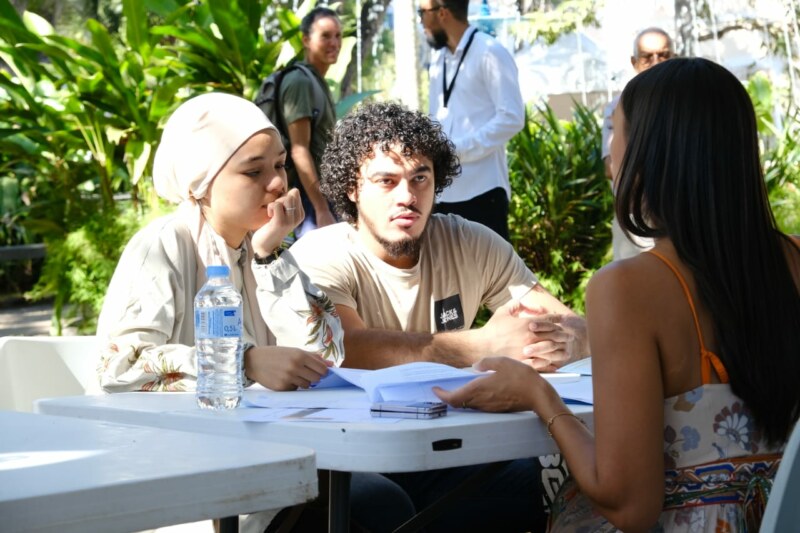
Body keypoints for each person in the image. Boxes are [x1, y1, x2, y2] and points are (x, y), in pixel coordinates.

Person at [435, 58, 800, 532]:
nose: (610, 151)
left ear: (651, 153)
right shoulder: (792, 261)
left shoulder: (628, 288)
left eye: (615, 130)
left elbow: (629, 505)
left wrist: (537, 394)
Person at [95, 92, 415, 532]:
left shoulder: (262, 247)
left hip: (270, 455)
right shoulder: (165, 245)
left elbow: (329, 351)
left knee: (397, 499)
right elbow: (119, 364)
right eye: (253, 171)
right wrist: (242, 361)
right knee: (377, 506)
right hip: (182, 469)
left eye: (281, 165)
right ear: (199, 184)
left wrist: (270, 256)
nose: (277, 184)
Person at [288, 100, 589, 531]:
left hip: (452, 451)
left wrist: (570, 339)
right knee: (381, 506)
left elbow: (569, 322)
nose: (407, 196)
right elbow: (346, 349)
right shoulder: (320, 253)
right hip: (350, 457)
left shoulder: (471, 243)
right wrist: (484, 346)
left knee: (542, 478)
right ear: (352, 189)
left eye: (420, 178)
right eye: (386, 181)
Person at [419, 0, 525, 241]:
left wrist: (458, 150)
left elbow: (512, 117)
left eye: (422, 13)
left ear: (442, 13)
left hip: (483, 189)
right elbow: (437, 118)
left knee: (490, 277)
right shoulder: (439, 60)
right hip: (443, 193)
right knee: (448, 276)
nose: (421, 21)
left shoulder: (490, 51)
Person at [603, 27, 674, 260]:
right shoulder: (618, 107)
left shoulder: (692, 106)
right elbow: (612, 169)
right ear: (634, 62)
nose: (656, 62)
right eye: (647, 57)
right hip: (637, 224)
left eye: (663, 55)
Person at [280, 6, 340, 238]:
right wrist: (321, 209)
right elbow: (299, 150)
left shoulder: (317, 81)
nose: (334, 43)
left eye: (337, 36)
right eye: (325, 36)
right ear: (306, 39)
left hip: (315, 197)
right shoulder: (300, 83)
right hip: (306, 201)